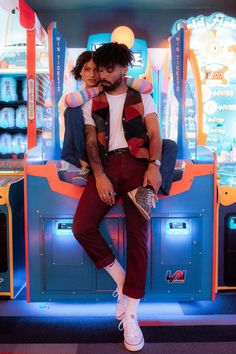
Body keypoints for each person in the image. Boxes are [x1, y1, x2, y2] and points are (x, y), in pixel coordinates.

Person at [72, 42, 162, 352]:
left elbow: (155, 134)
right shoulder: (91, 101)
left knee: (139, 237)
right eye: (99, 68)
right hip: (107, 167)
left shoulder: (143, 97)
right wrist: (98, 176)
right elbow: (90, 143)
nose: (102, 74)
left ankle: (133, 315)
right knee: (81, 226)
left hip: (140, 167)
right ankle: (123, 281)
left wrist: (155, 165)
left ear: (123, 68)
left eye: (108, 69)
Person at [62, 51, 153, 186]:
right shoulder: (80, 98)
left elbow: (148, 87)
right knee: (72, 111)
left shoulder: (112, 89)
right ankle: (84, 166)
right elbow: (70, 101)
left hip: (107, 149)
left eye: (97, 70)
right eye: (87, 69)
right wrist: (97, 90)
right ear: (80, 71)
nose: (92, 75)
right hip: (85, 150)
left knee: (169, 145)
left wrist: (124, 78)